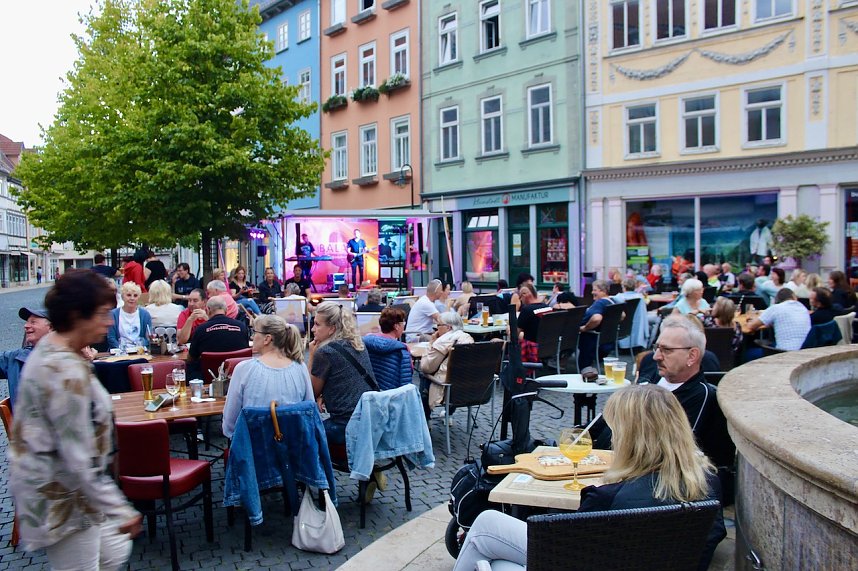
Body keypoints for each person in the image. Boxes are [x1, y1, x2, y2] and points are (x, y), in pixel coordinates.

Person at [454, 384, 726, 571]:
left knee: (489, 537)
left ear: (630, 439)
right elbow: (710, 541)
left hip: (592, 559)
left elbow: (567, 548)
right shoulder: (707, 481)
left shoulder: (609, 499)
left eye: (616, 431)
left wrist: (602, 488)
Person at [10, 270, 142, 569]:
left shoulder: (60, 350)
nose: (109, 321)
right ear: (76, 315)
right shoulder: (62, 371)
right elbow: (78, 458)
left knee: (115, 551)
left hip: (77, 490)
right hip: (63, 496)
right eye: (102, 314)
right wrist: (121, 509)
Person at [222, 315, 313, 438]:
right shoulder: (300, 367)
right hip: (294, 448)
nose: (252, 336)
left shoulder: (243, 369)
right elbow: (310, 412)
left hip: (253, 449)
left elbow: (229, 424)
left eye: (254, 332)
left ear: (267, 339)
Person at [309, 302, 377, 445]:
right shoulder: (356, 343)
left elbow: (310, 393)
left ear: (331, 329)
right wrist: (324, 395)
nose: (312, 329)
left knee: (302, 435)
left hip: (346, 426)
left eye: (317, 324)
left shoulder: (325, 352)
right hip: (372, 421)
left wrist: (312, 355)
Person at [419, 311, 474, 418]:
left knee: (424, 375)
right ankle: (449, 414)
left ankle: (426, 418)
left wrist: (431, 343)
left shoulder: (442, 341)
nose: (436, 328)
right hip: (466, 387)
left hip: (445, 388)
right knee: (455, 373)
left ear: (448, 327)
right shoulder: (468, 338)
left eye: (438, 325)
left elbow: (426, 367)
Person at [1, 307, 52, 410]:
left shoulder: (69, 356)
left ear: (51, 327)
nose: (26, 326)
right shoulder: (14, 359)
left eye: (33, 322)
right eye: (27, 322)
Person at [187, 296, 250, 379]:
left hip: (208, 377)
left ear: (207, 309)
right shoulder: (241, 326)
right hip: (237, 376)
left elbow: (191, 357)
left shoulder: (201, 329)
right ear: (226, 310)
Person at [363, 307, 412, 391]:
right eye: (403, 323)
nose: (404, 326)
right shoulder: (402, 351)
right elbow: (406, 383)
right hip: (392, 396)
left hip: (369, 393)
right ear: (396, 326)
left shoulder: (365, 342)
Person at [577, 280, 616, 371]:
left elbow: (596, 318)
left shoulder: (600, 303)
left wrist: (585, 328)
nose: (592, 292)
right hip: (606, 339)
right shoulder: (613, 301)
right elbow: (622, 315)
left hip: (590, 338)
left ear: (603, 291)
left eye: (595, 290)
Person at [107, 282, 153, 349]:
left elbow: (148, 338)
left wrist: (139, 347)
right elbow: (111, 338)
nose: (132, 298)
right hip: (120, 352)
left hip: (140, 351)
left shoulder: (145, 315)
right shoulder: (113, 314)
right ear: (122, 297)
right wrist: (121, 349)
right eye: (128, 295)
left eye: (135, 296)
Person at [613, 277, 649, 350]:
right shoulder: (640, 297)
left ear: (624, 287)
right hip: (637, 329)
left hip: (622, 327)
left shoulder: (618, 297)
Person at [517, 283, 550, 363]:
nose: (520, 299)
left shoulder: (526, 310)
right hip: (548, 347)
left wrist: (509, 329)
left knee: (498, 342)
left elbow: (516, 334)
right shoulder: (547, 307)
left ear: (525, 295)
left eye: (520, 296)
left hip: (531, 349)